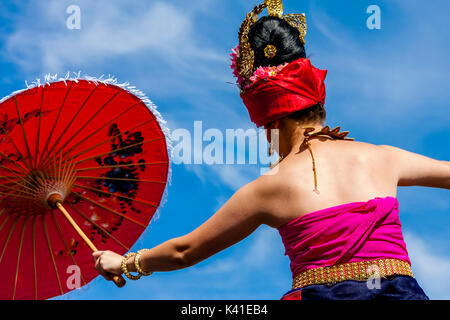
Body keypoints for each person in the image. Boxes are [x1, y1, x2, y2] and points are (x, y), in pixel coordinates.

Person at [93, 0, 449, 300]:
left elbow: (185, 251)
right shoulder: (385, 158)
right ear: (319, 106)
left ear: (271, 121)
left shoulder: (269, 189)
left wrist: (124, 262)